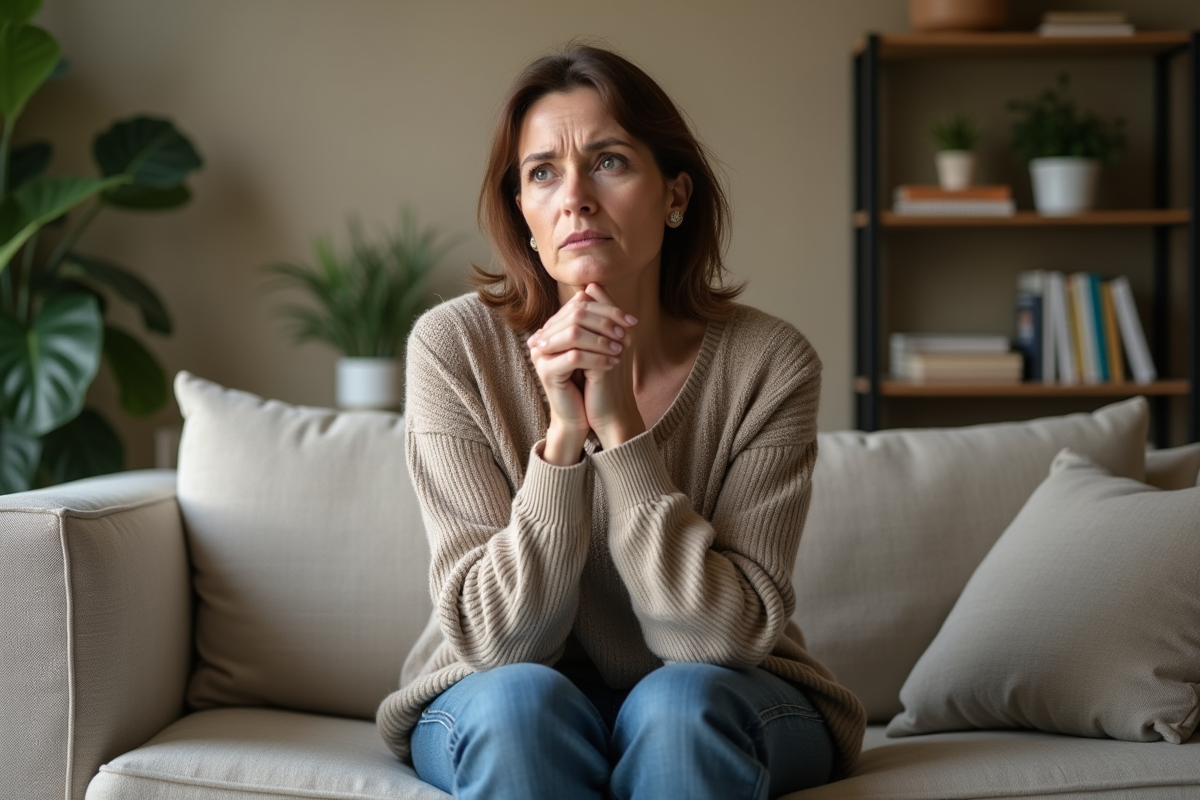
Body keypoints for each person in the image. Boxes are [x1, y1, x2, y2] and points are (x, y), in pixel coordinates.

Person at [376, 43, 866, 800]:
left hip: (722, 693)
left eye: (608, 161)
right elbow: (501, 643)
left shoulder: (770, 362)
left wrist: (624, 431)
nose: (574, 196)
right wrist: (565, 441)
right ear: (524, 216)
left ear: (675, 196)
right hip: (499, 690)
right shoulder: (454, 349)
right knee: (518, 706)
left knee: (676, 707)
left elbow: (717, 641)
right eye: (542, 173)